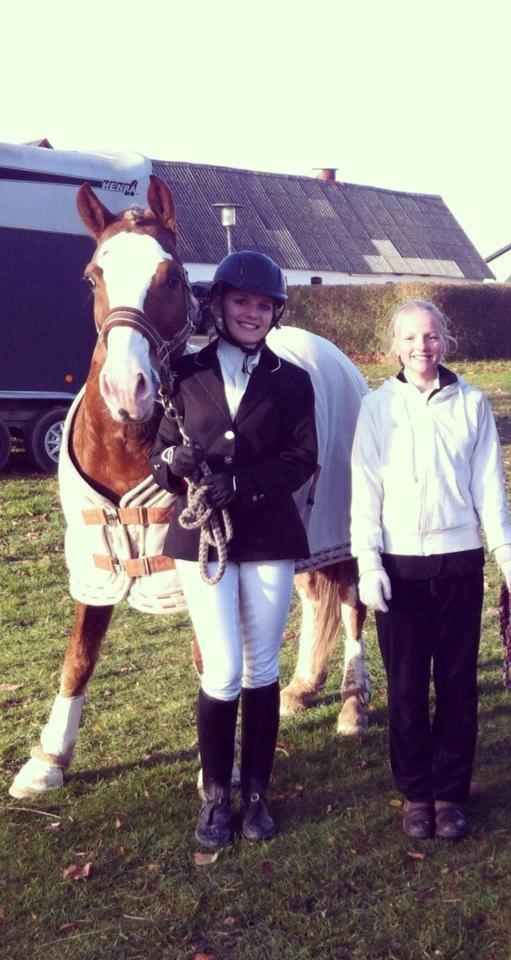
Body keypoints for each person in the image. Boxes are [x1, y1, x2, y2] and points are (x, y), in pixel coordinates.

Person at [149, 250, 317, 848]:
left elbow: (301, 460)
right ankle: (216, 796)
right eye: (241, 301)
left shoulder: (292, 381)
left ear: (275, 313)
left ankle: (257, 796)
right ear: (218, 305)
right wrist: (176, 464)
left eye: (263, 305)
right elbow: (161, 456)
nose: (252, 312)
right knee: (221, 669)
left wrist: (241, 484)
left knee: (262, 668)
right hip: (202, 543)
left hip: (268, 535)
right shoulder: (185, 376)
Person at [350, 299, 511, 841]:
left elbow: (488, 488)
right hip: (398, 570)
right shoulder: (377, 407)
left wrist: (506, 554)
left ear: (444, 341)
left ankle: (449, 794)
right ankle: (415, 794)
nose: (421, 348)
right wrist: (368, 564)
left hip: (458, 564)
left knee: (455, 684)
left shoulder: (472, 404)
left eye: (430, 337)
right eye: (409, 338)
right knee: (405, 688)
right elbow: (365, 493)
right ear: (394, 346)